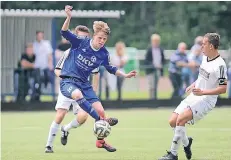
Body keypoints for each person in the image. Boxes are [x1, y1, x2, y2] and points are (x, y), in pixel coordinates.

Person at [59, 5, 137, 152]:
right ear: (94, 36)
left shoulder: (103, 54)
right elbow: (64, 32)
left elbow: (111, 68)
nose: (102, 41)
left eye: (104, 39)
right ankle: (102, 121)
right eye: (100, 38)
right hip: (68, 81)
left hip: (84, 84)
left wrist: (125, 75)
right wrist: (68, 17)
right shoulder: (80, 42)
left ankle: (100, 142)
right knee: (78, 96)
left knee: (101, 111)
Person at [158, 33, 228, 160]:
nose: (201, 47)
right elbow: (202, 77)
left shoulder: (220, 65)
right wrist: (193, 84)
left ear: (211, 46)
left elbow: (223, 89)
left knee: (181, 119)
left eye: (204, 44)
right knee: (172, 121)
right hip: (195, 95)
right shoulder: (205, 57)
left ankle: (173, 154)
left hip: (206, 100)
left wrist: (203, 92)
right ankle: (186, 142)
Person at [45, 25, 96, 153]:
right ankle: (49, 145)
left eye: (84, 37)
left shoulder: (92, 55)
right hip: (67, 88)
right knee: (61, 114)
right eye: (79, 37)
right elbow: (57, 70)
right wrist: (66, 79)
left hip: (82, 89)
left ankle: (65, 129)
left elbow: (95, 74)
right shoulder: (68, 52)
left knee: (83, 117)